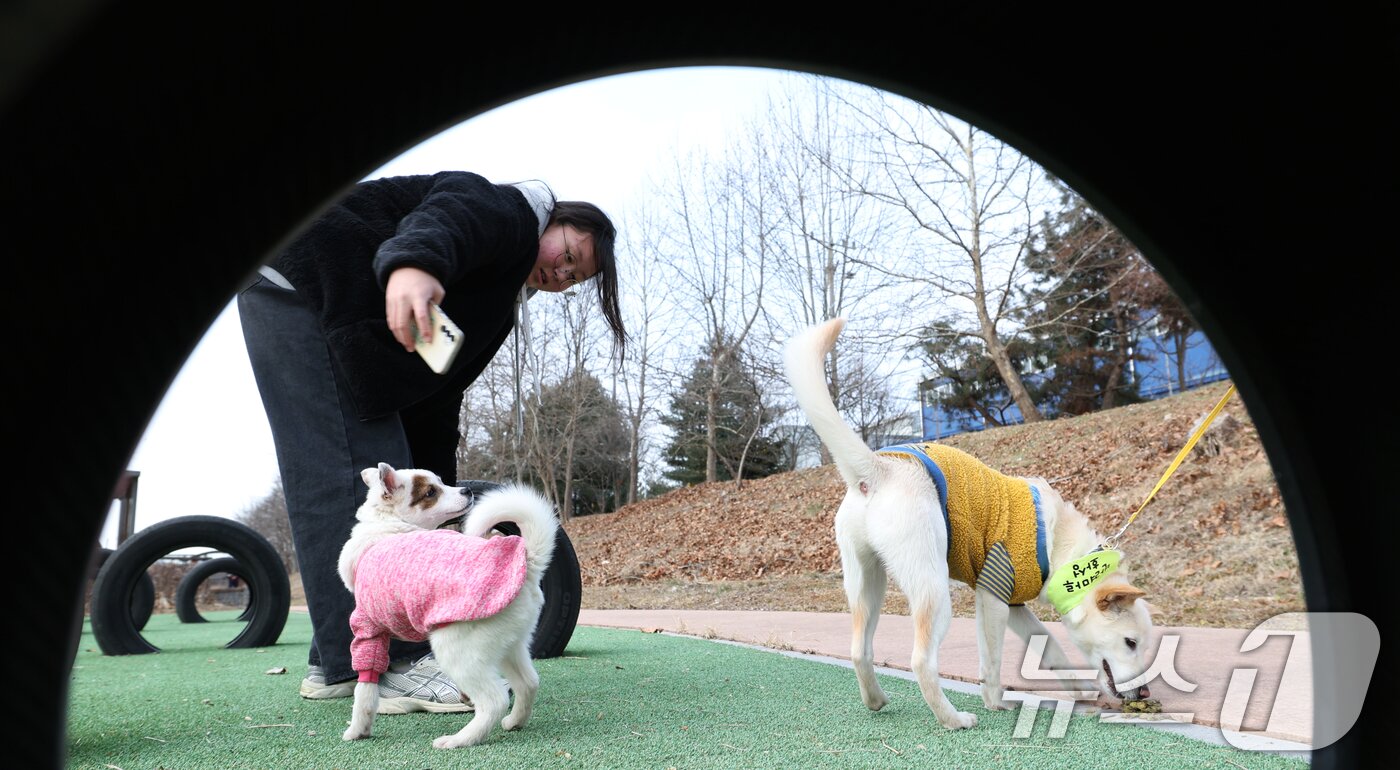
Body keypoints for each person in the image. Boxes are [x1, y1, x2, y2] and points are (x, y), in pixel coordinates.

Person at [237, 170, 624, 713]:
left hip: (302, 293)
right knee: (352, 476)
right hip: (314, 281)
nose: (561, 273)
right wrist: (413, 264)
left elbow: (434, 397)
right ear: (557, 218)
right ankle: (383, 664)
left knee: (353, 471)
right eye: (569, 253)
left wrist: (439, 495)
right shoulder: (511, 212)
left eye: (573, 277)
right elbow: (451, 212)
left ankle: (342, 660)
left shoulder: (491, 297)